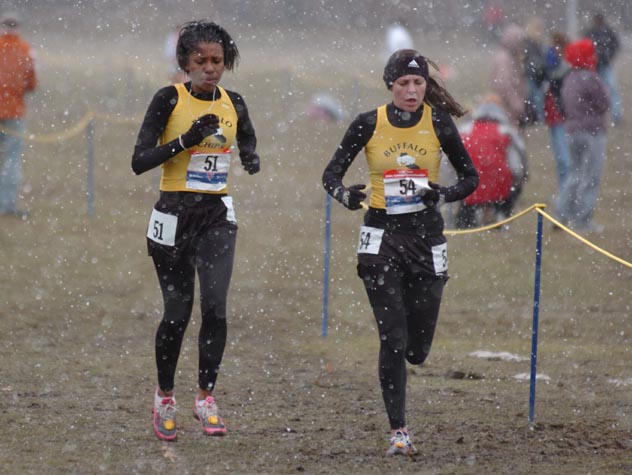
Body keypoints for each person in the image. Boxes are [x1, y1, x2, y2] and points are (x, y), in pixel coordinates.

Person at [322, 49, 478, 456]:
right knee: (392, 338)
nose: (411, 91)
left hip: (427, 240)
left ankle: (412, 353)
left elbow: (470, 178)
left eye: (418, 83)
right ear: (390, 85)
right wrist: (344, 195)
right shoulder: (368, 123)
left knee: (417, 349)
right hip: (380, 238)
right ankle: (399, 431)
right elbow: (330, 174)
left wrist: (443, 194)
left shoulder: (438, 122)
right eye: (403, 84)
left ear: (426, 86)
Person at [131, 20, 261, 441]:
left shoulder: (234, 102)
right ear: (185, 62)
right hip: (172, 214)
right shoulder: (168, 98)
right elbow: (139, 161)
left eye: (217, 61)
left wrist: (251, 156)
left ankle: (206, 398)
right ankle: (165, 396)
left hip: (216, 215)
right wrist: (185, 140)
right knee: (177, 314)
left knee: (216, 308)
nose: (210, 68)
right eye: (200, 61)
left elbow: (247, 138)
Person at [555, 38, 609, 232]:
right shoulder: (590, 78)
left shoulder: (569, 77)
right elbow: (604, 102)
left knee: (575, 173)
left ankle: (562, 212)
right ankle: (582, 220)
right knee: (591, 176)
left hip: (572, 132)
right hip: (592, 133)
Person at [456, 94, 526, 228]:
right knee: (510, 191)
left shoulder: (464, 130)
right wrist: (519, 179)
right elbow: (517, 165)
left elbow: (448, 163)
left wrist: (456, 183)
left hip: (469, 186)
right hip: (500, 186)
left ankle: (468, 221)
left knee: (465, 217)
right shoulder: (506, 131)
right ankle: (501, 217)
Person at [0, 12, 37, 218]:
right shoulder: (25, 50)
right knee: (12, 160)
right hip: (14, 111)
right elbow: (31, 83)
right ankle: (7, 204)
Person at [543, 31, 571, 190]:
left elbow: (556, 83)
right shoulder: (556, 61)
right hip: (554, 114)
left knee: (564, 157)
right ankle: (564, 191)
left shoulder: (564, 68)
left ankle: (566, 191)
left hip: (560, 115)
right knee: (560, 157)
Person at [584, 12, 622, 125]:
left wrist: (609, 56)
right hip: (594, 67)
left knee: (612, 90)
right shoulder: (591, 33)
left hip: (605, 65)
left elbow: (615, 45)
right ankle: (595, 115)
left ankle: (616, 115)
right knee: (594, 91)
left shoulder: (608, 32)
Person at [490, 24, 526, 127]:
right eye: (519, 42)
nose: (521, 46)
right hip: (506, 109)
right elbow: (503, 84)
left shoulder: (508, 57)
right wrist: (516, 104)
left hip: (507, 109)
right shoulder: (504, 59)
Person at [522, 17, 546, 125]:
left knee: (537, 98)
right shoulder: (529, 43)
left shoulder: (537, 44)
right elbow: (531, 60)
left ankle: (535, 118)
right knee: (534, 98)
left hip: (537, 76)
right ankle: (535, 119)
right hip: (532, 75)